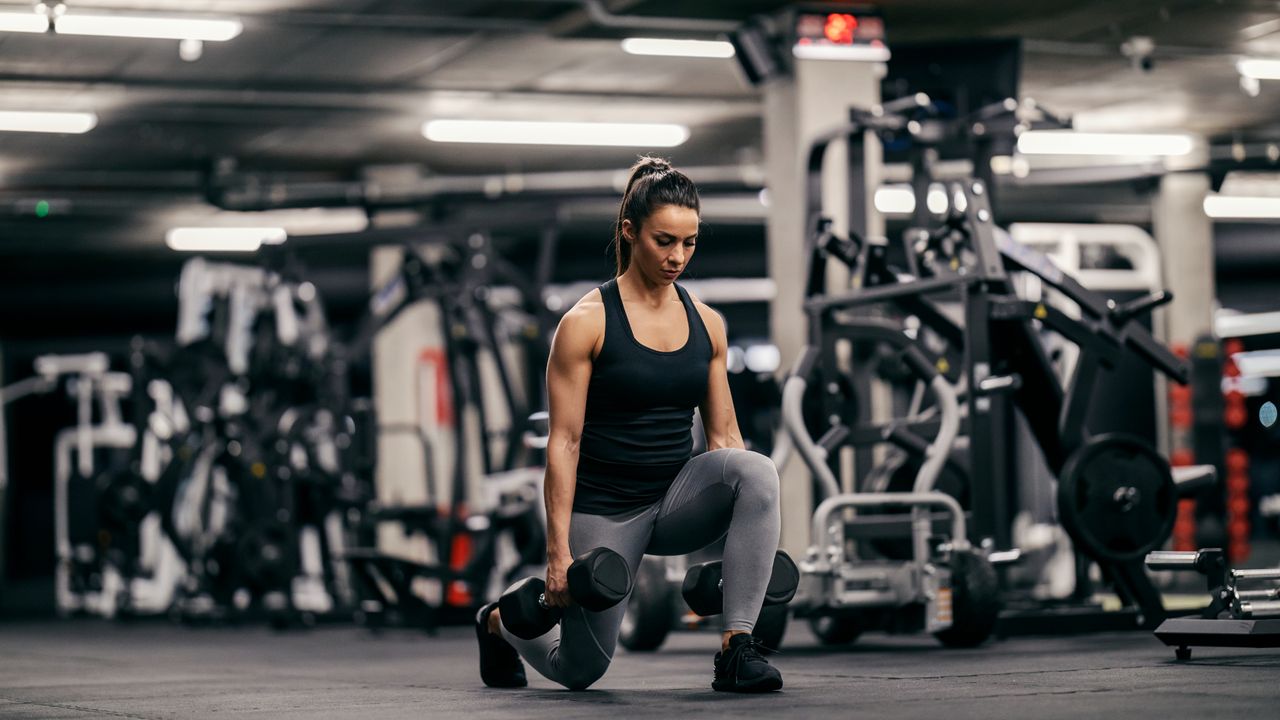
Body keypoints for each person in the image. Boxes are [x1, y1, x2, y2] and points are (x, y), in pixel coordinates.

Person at [475, 156, 783, 692]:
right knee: (582, 671)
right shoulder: (585, 323)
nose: (677, 257)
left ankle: (737, 650)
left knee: (756, 471)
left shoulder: (707, 324)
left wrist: (743, 551)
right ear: (629, 232)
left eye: (689, 243)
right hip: (606, 509)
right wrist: (558, 555)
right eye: (664, 241)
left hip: (675, 499)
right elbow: (564, 443)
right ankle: (499, 623)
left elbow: (724, 441)